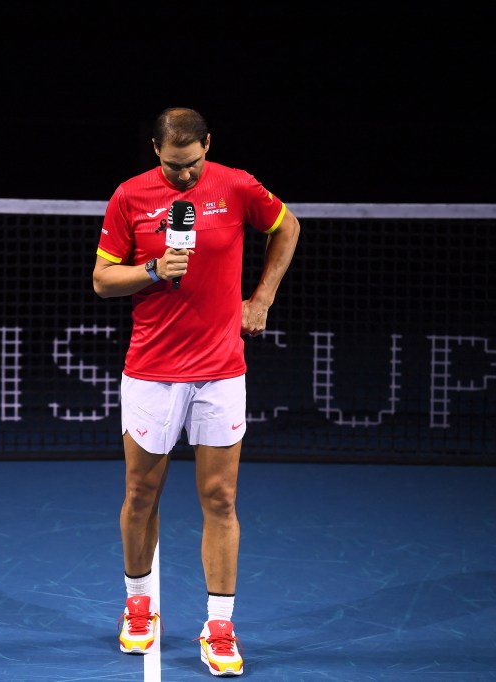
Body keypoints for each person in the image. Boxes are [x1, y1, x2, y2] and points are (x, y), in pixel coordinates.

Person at [92, 107, 300, 677]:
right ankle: (138, 606)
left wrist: (260, 301)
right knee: (140, 493)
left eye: (193, 165)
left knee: (221, 499)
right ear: (156, 152)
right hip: (152, 370)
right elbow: (103, 279)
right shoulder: (130, 197)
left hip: (220, 371)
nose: (184, 177)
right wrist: (154, 270)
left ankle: (220, 624)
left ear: (208, 144)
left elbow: (288, 225)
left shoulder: (236, 185)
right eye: (172, 167)